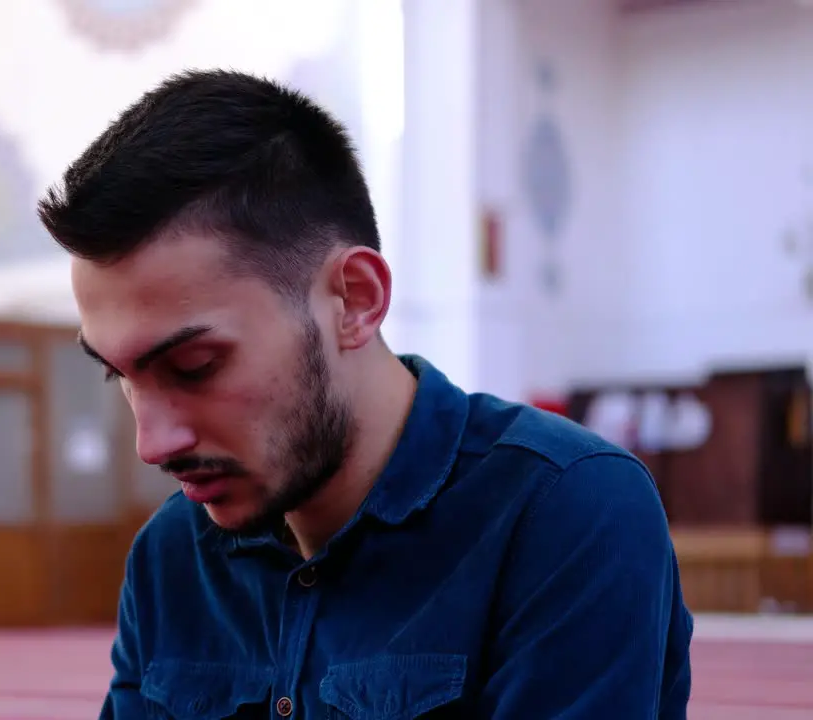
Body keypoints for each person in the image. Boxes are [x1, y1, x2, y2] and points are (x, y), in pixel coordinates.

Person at [37, 69, 693, 719]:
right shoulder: (171, 556)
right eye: (120, 376)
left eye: (194, 366)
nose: (152, 445)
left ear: (355, 300)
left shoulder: (564, 511)